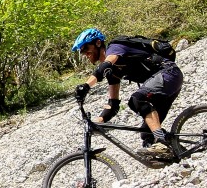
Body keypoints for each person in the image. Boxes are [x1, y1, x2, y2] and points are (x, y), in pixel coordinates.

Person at [71, 28, 184, 160]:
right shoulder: (112, 72)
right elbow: (113, 104)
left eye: (85, 48)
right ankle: (179, 152)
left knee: (137, 99)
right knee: (147, 134)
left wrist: (86, 86)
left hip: (169, 73)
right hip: (167, 83)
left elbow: (104, 66)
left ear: (98, 43)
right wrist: (98, 121)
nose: (85, 53)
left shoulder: (115, 47)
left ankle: (162, 143)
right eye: (82, 51)